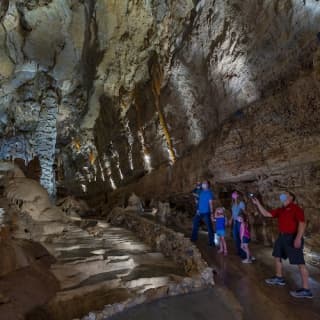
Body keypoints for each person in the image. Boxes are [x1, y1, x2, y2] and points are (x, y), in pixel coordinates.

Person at [252, 192, 313, 299]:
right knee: (277, 256)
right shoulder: (281, 210)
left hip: (292, 237)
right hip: (282, 237)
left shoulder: (295, 208)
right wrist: (258, 204)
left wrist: (298, 238)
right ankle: (279, 277)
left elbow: (302, 223)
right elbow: (266, 214)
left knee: (300, 263)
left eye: (286, 195)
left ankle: (306, 289)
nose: (283, 196)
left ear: (291, 198)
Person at [191, 180, 215, 246]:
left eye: (205, 183)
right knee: (195, 222)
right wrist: (197, 209)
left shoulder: (209, 193)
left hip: (206, 212)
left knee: (209, 227)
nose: (203, 184)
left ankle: (211, 242)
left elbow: (210, 203)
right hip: (199, 212)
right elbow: (199, 201)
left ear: (208, 185)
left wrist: (212, 213)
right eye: (203, 183)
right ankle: (193, 238)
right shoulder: (201, 192)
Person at [229, 191, 246, 259]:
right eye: (233, 193)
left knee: (242, 237)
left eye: (235, 193)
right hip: (235, 222)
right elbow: (233, 213)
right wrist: (231, 219)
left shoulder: (241, 203)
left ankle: (244, 254)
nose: (234, 194)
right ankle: (239, 251)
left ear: (238, 195)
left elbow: (244, 212)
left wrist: (241, 217)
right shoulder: (233, 203)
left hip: (240, 221)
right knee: (236, 237)